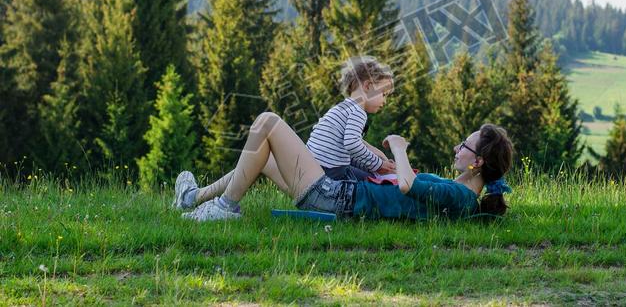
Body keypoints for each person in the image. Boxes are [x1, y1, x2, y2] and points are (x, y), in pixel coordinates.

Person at [174, 111, 514, 221]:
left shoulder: (461, 197)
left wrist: (398, 148)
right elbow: (404, 186)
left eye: (464, 146)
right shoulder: (456, 192)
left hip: (336, 197)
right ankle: (193, 198)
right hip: (340, 195)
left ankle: (224, 209)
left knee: (268, 123)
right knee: (268, 157)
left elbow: (410, 185)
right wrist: (383, 164)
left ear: (478, 162)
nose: (457, 148)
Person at [305, 55, 396, 182]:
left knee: (367, 173)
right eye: (384, 94)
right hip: (330, 171)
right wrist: (378, 165)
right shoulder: (358, 112)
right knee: (372, 183)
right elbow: (352, 144)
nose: (385, 101)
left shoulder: (342, 108)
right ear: (368, 86)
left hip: (313, 164)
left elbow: (348, 153)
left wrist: (373, 166)